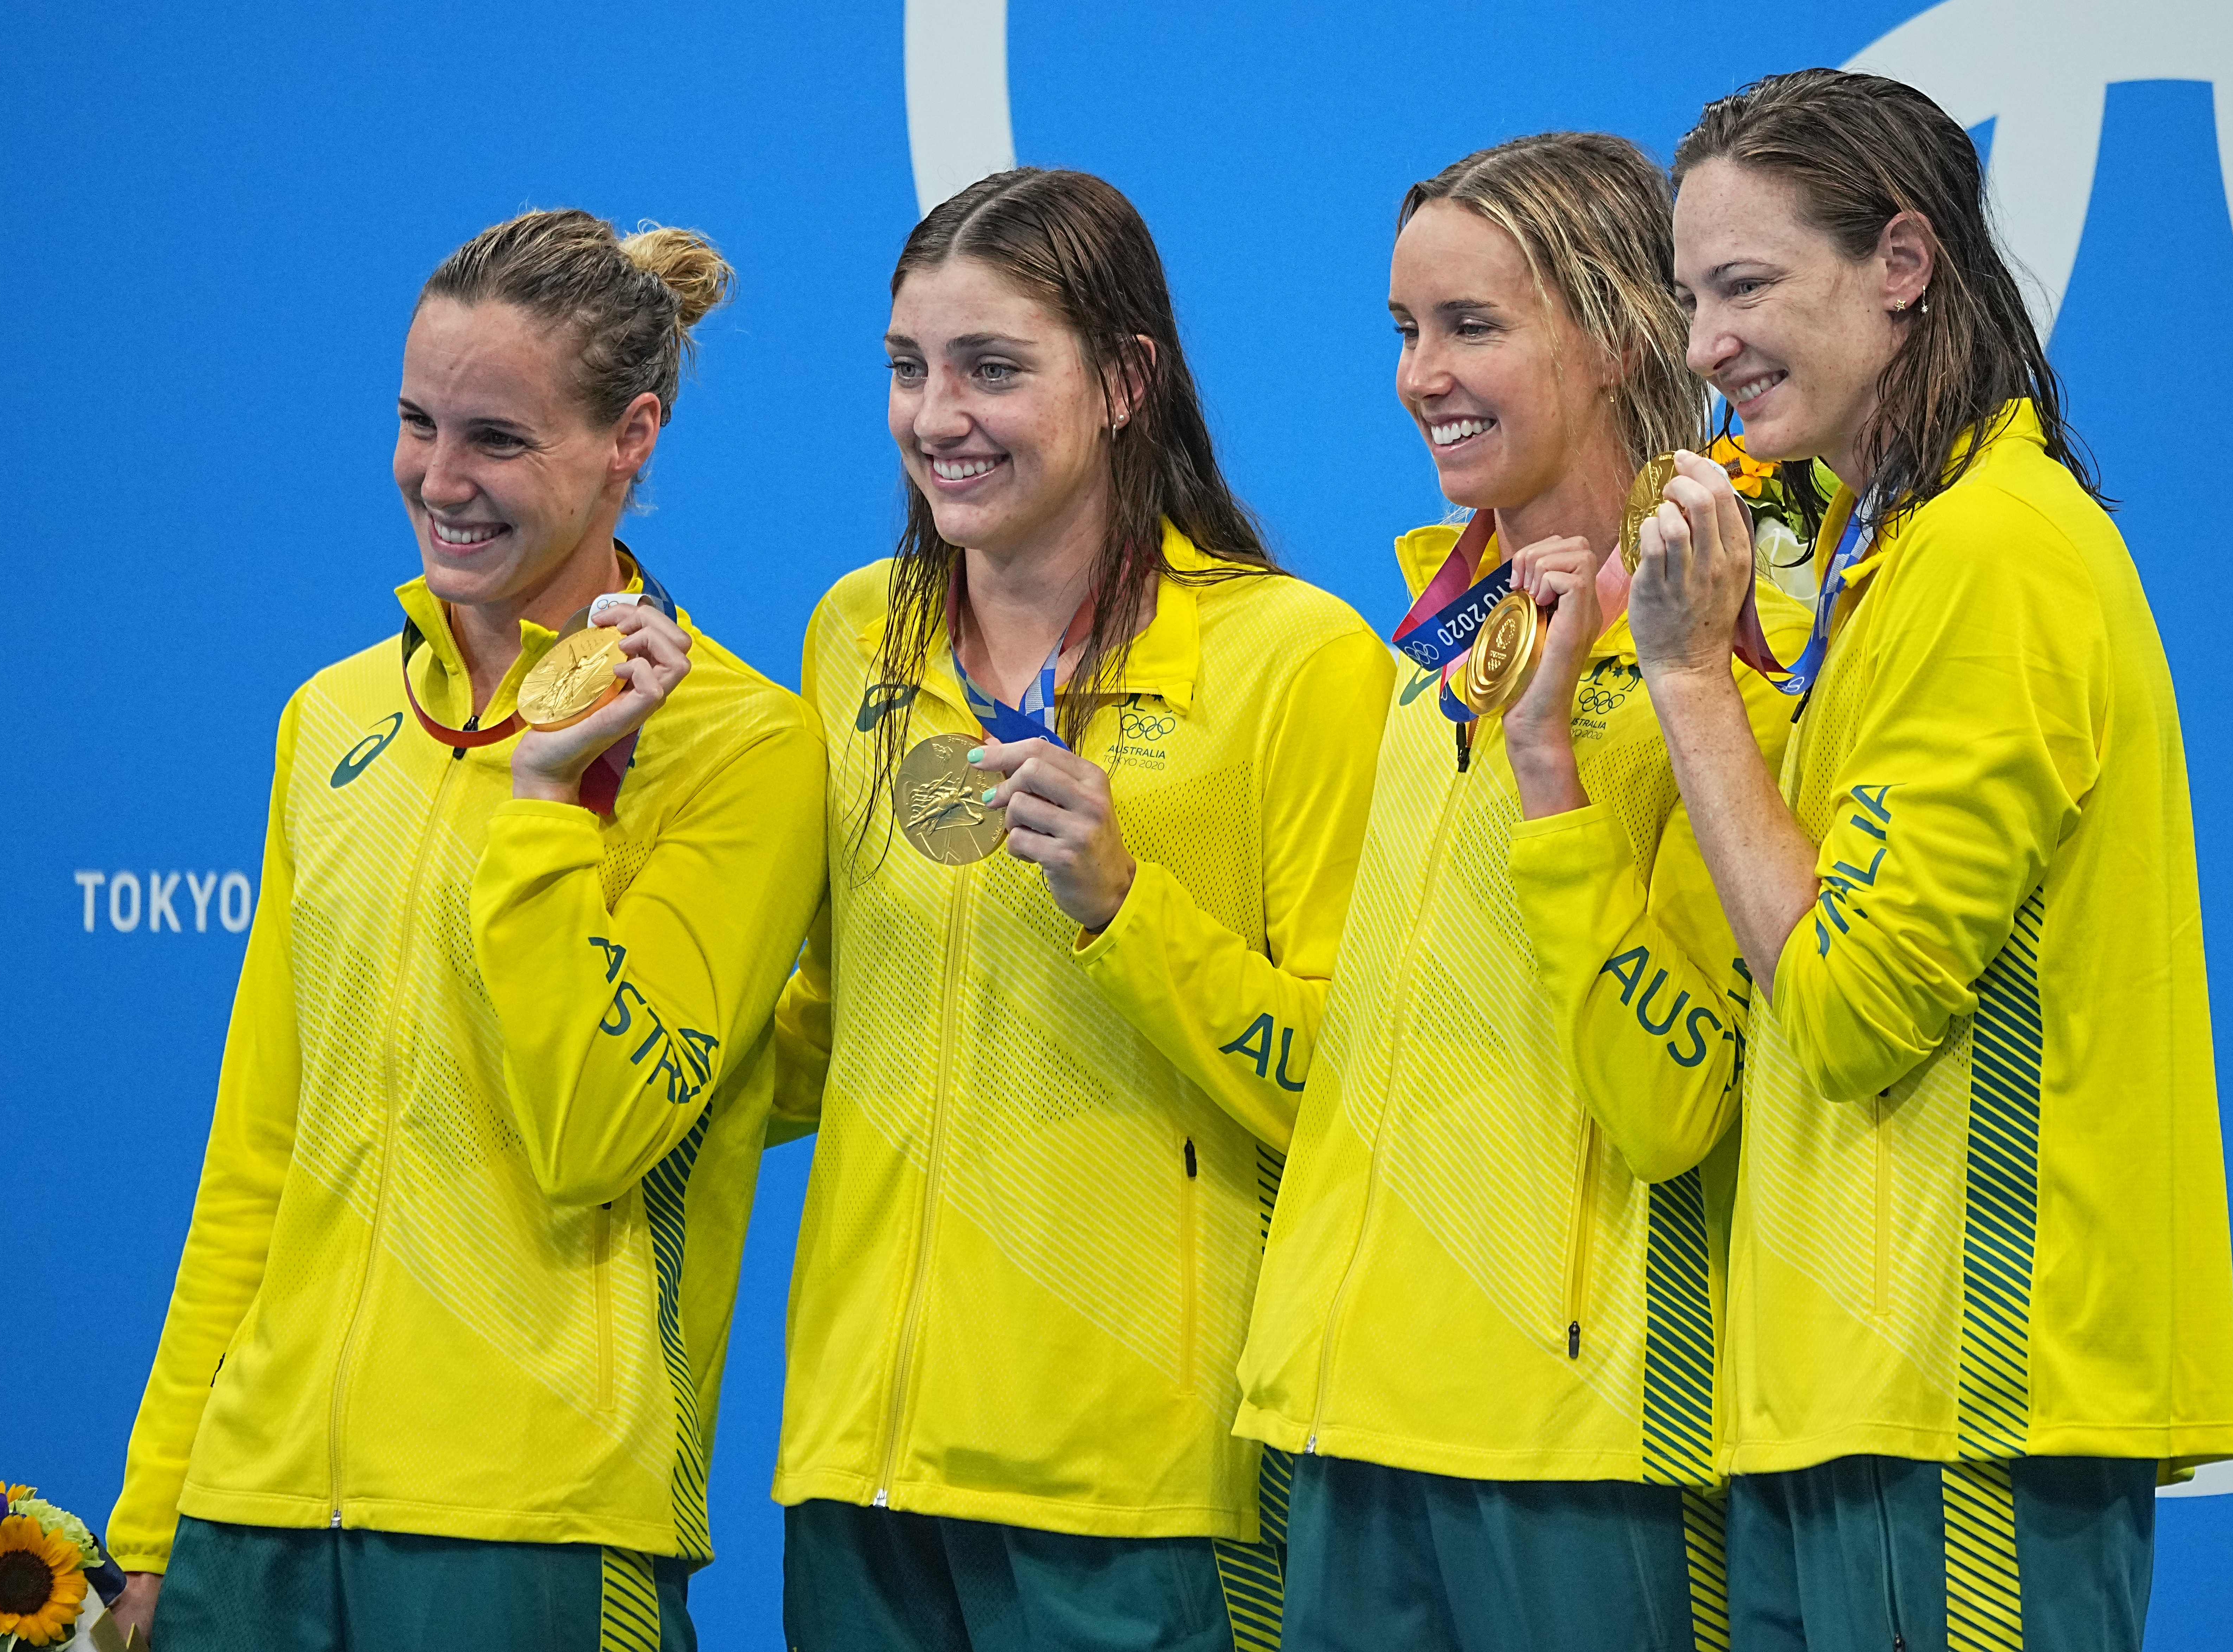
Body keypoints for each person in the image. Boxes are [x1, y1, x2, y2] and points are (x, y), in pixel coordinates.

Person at [103, 209, 826, 1651]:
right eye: (416, 422)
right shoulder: (333, 718)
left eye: (496, 438)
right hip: (251, 1520)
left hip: (535, 1523)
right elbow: (260, 1144)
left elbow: (598, 1128)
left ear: (631, 436)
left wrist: (546, 790)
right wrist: (155, 1512)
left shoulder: (741, 748)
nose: (439, 480)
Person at [1627, 68, 2233, 1651]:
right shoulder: (1881, 547)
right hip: (1844, 1395)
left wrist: (1692, 682)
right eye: (1691, 296)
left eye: (1746, 285)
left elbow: (1843, 1007)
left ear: (1900, 263)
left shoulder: (1992, 549)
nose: (1702, 347)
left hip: (1962, 1398)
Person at [769, 167, 1394, 1652]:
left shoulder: (1294, 661)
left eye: (992, 369)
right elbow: (824, 1022)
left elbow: (1355, 1090)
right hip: (862, 1463)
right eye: (907, 369)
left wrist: (1129, 909)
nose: (937, 416)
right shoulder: (856, 634)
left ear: (1123, 380)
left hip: (1143, 1486)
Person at [1232, 133, 1809, 1652]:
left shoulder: (1732, 655)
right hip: (1349, 1414)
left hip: (1580, 1444)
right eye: (1404, 331)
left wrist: (1551, 769)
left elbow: (1674, 1102)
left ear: (1623, 334)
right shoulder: (1435, 652)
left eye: (1470, 326)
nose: (1421, 374)